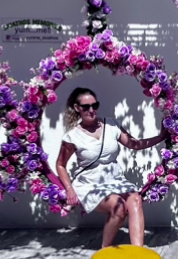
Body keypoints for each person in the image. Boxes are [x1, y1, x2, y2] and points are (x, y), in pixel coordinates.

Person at [56, 87, 170, 249]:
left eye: (94, 105)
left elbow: (134, 144)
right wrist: (69, 189)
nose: (91, 110)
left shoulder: (111, 125)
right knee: (119, 207)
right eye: (86, 107)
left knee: (135, 199)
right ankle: (105, 249)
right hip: (90, 183)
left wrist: (160, 137)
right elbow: (60, 164)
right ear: (77, 108)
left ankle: (138, 252)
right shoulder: (73, 136)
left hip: (114, 179)